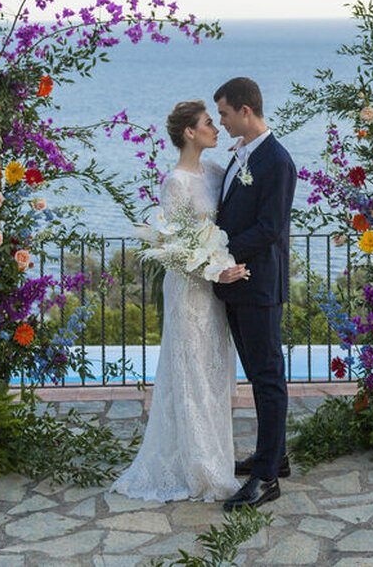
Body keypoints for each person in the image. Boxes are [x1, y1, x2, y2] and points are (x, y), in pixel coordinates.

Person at [110, 99, 246, 502]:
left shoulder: (218, 172)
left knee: (214, 374)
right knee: (191, 374)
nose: (216, 128)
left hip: (215, 291)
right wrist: (212, 268)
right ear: (190, 132)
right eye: (209, 123)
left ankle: (216, 458)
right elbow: (178, 246)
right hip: (189, 290)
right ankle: (198, 466)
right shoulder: (175, 183)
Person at [213, 77, 297, 511]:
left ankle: (267, 479)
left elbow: (270, 228)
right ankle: (274, 456)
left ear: (246, 111)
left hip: (258, 284)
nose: (222, 122)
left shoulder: (277, 161)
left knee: (268, 379)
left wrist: (219, 252)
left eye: (225, 113)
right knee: (258, 375)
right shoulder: (243, 155)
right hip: (236, 284)